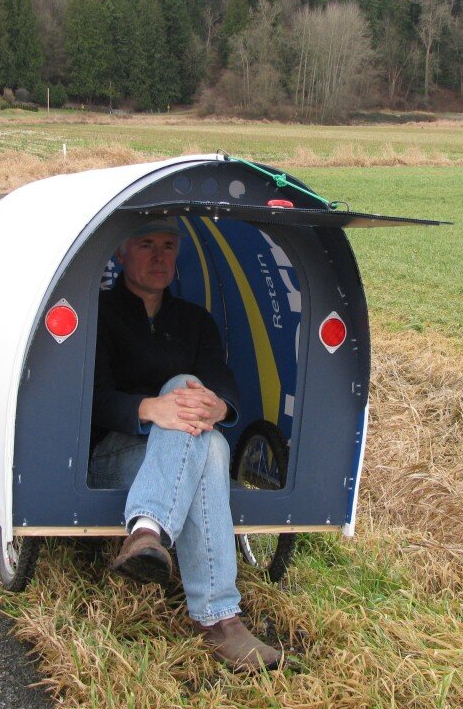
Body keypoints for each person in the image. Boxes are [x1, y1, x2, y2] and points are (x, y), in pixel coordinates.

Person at [90, 217, 282, 673]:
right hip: (114, 453)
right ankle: (219, 621)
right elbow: (90, 398)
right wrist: (149, 409)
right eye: (146, 244)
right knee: (192, 411)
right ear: (120, 253)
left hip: (178, 457)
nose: (160, 257)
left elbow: (221, 380)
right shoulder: (98, 314)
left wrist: (218, 406)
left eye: (168, 246)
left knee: (208, 441)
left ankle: (147, 532)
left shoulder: (195, 321)